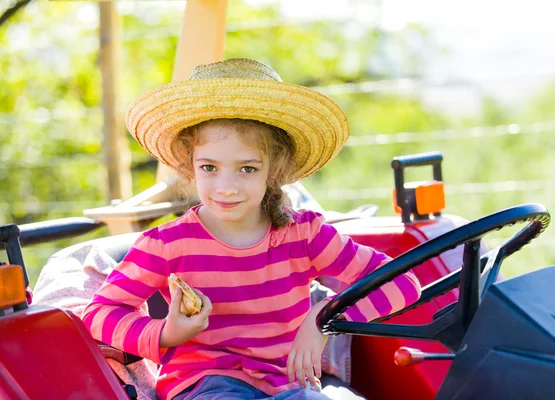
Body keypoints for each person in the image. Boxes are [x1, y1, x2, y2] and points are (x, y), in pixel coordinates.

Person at [82, 58, 421, 400]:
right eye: (210, 167)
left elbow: (403, 282)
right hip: (206, 385)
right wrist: (167, 332)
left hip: (289, 386)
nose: (226, 187)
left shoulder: (305, 235)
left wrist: (323, 317)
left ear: (274, 169)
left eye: (246, 169)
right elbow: (98, 314)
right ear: (190, 165)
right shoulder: (168, 244)